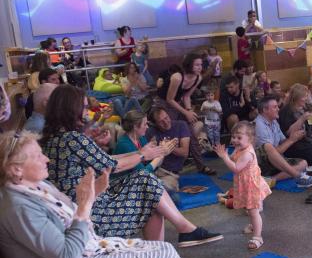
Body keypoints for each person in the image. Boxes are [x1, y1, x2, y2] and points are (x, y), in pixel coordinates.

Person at [0, 132, 253, 258]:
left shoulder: (35, 188)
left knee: (162, 253)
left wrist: (95, 193)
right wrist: (85, 205)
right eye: (37, 155)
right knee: (164, 256)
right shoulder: (18, 207)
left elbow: (70, 228)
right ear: (16, 170)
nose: (46, 159)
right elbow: (67, 255)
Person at [42, 86, 221, 246]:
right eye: (84, 107)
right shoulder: (72, 138)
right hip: (91, 209)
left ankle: (167, 250)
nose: (87, 112)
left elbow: (105, 159)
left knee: (151, 192)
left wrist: (144, 153)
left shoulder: (57, 138)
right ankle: (180, 236)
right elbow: (112, 166)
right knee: (149, 186)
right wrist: (148, 155)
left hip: (87, 201)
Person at [214, 122, 271, 250]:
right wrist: (227, 156)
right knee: (249, 209)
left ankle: (258, 237)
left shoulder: (247, 153)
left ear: (249, 139)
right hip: (245, 184)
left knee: (253, 211)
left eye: (239, 137)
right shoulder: (240, 149)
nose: (235, 140)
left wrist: (224, 157)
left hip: (251, 186)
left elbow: (236, 168)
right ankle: (254, 225)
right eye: (234, 137)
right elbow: (234, 159)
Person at [156, 53, 214, 175]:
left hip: (177, 103)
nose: (200, 67)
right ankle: (168, 167)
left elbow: (186, 96)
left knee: (191, 132)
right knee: (171, 130)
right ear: (189, 65)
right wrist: (186, 113)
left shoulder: (198, 78)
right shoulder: (177, 77)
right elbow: (169, 99)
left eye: (201, 65)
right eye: (197, 65)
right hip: (163, 103)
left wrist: (188, 110)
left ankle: (201, 165)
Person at [254, 95, 312, 187]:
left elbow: (283, 142)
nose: (278, 109)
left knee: (304, 163)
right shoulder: (259, 125)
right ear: (265, 110)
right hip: (260, 163)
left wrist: (293, 137)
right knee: (268, 146)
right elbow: (272, 151)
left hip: (274, 160)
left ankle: (271, 180)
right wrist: (291, 140)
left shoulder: (274, 122)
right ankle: (298, 176)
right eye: (275, 107)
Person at [278, 84, 312, 166]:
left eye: (307, 96)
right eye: (304, 96)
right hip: (296, 143)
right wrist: (302, 119)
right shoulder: (286, 111)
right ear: (296, 97)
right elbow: (289, 132)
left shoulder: (306, 107)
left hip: (309, 139)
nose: (306, 98)